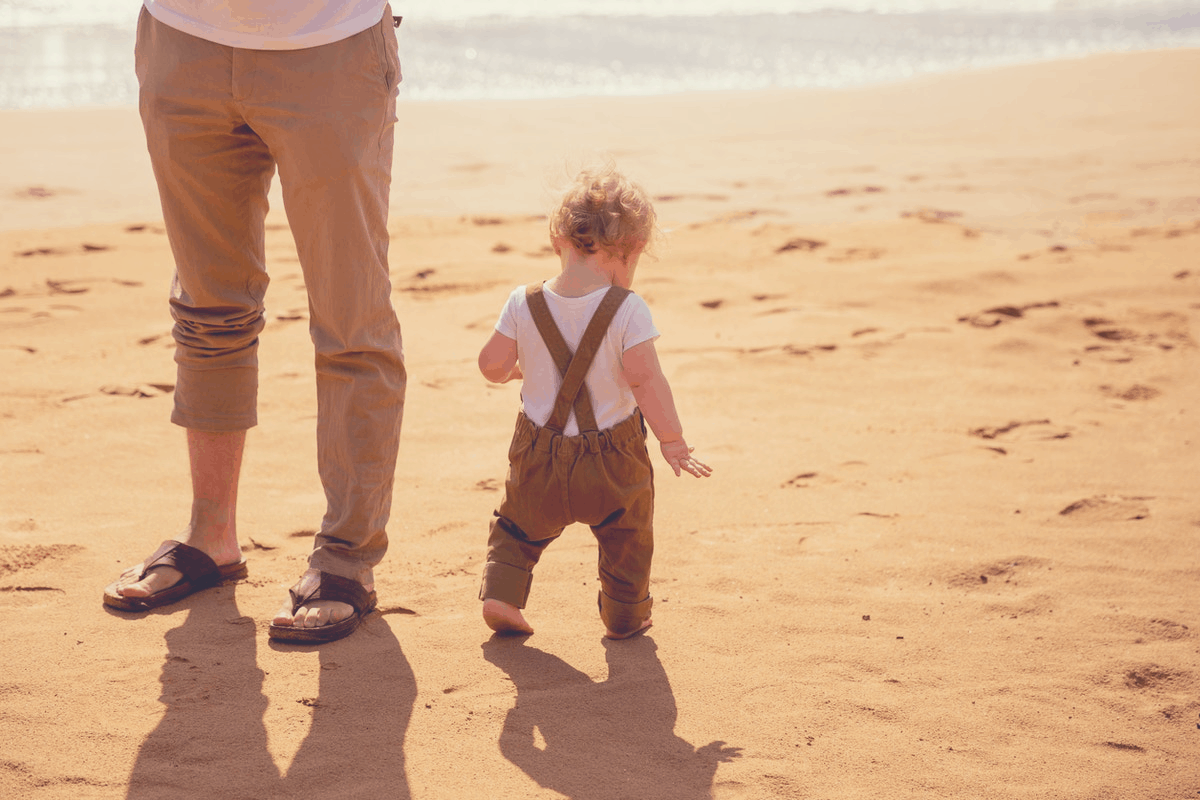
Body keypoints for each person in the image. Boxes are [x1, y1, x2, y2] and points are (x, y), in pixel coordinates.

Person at [101, 1, 406, 644]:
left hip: (329, 46)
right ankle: (210, 538)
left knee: (351, 322)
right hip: (183, 43)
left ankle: (347, 560)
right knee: (208, 310)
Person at [476, 164, 712, 640]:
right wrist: (673, 440)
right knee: (628, 535)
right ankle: (625, 613)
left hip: (537, 458)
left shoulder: (522, 302)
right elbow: (646, 381)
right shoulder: (628, 309)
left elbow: (491, 366)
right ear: (632, 250)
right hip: (614, 462)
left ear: (556, 240)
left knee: (517, 528)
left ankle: (502, 594)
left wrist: (520, 370)